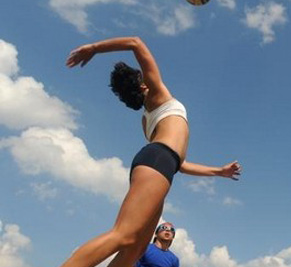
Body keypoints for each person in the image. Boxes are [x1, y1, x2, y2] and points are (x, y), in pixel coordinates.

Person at [60, 37, 242, 267]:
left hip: (163, 163)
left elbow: (180, 164)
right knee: (123, 234)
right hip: (157, 160)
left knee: (136, 248)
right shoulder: (157, 94)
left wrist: (218, 171)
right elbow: (136, 43)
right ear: (143, 84)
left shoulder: (148, 121)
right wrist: (94, 49)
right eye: (142, 76)